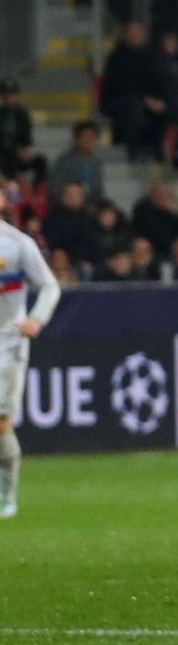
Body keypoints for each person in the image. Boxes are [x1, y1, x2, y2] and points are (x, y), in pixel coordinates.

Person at [0, 217, 62, 518]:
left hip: (7, 343)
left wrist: (36, 318)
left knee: (0, 423)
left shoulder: (17, 244)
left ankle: (6, 497)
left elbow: (50, 285)